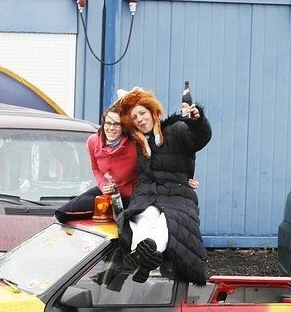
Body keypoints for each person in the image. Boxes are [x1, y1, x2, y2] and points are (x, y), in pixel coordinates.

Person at [115, 87, 212, 284]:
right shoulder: (136, 142)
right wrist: (124, 101)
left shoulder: (176, 130)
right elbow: (109, 130)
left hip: (178, 194)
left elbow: (200, 137)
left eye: (142, 113)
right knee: (140, 217)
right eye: (134, 117)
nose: (140, 119)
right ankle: (142, 256)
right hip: (148, 194)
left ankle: (145, 256)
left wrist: (196, 119)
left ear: (152, 111)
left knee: (166, 222)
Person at [54, 108, 138, 223]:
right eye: (108, 123)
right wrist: (103, 186)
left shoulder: (134, 145)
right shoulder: (93, 141)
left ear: (123, 127)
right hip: (105, 191)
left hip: (128, 196)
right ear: (103, 124)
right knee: (61, 214)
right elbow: (96, 169)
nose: (111, 128)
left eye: (116, 124)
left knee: (121, 221)